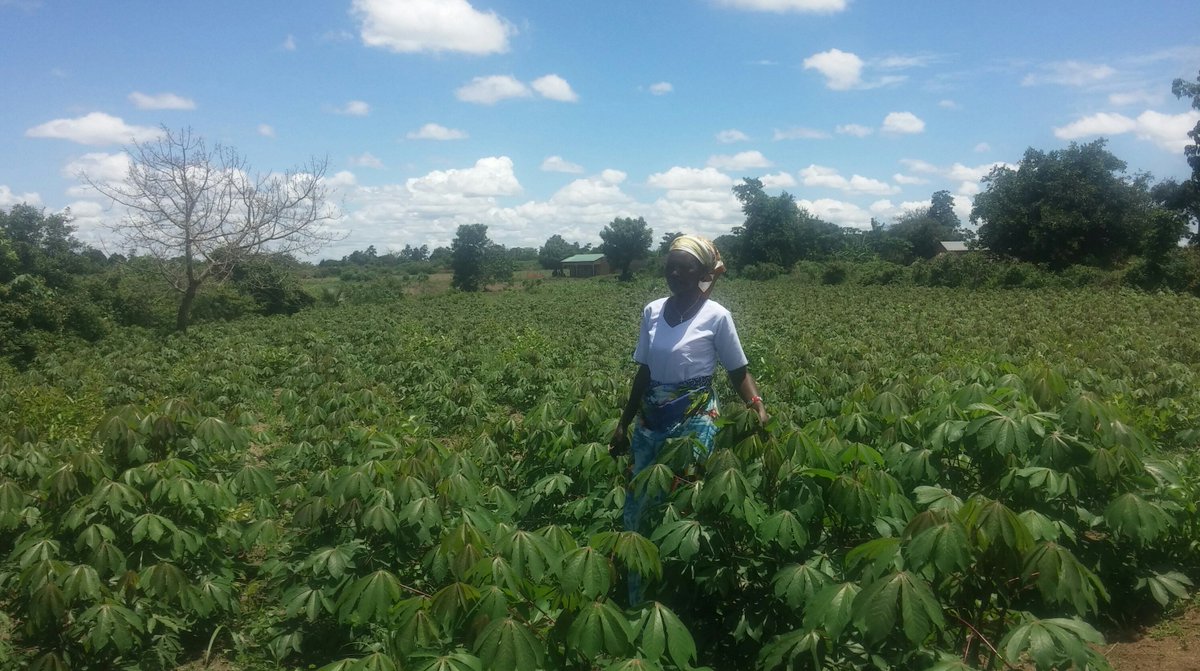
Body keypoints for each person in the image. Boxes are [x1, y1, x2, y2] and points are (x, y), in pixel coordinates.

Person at [609, 234, 767, 603]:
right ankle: (640, 589)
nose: (675, 273)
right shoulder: (652, 311)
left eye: (685, 267)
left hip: (696, 421)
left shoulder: (717, 316)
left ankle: (683, 591)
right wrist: (624, 422)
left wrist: (756, 404)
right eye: (670, 266)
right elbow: (644, 372)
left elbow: (737, 370)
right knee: (640, 504)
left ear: (703, 272)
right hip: (651, 419)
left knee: (683, 502)